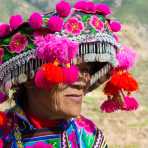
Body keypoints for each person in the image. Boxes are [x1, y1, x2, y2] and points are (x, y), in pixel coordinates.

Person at [0, 0, 138, 147]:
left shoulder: (89, 137)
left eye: (85, 70)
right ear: (28, 78)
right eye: (65, 67)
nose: (81, 80)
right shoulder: (4, 134)